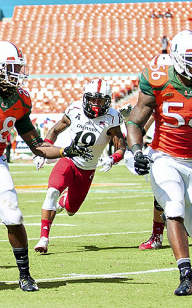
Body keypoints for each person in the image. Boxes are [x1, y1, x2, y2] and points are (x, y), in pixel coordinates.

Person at [0, 41, 92, 292]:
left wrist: (66, 150)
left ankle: (25, 275)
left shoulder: (20, 100)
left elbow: (37, 145)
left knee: (13, 215)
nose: (17, 74)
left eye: (18, 68)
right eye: (11, 68)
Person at [127, 30, 192, 296]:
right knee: (173, 207)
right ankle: (186, 273)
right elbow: (134, 120)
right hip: (164, 157)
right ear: (176, 59)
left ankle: (179, 225)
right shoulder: (159, 79)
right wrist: (137, 150)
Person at [33, 79, 126, 254]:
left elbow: (121, 146)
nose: (95, 104)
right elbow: (55, 130)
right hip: (69, 160)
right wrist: (43, 151)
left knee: (71, 209)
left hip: (88, 169)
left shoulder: (112, 118)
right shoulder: (74, 109)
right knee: (52, 191)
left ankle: (64, 202)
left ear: (107, 101)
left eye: (100, 100)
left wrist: (113, 158)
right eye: (92, 99)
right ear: (85, 98)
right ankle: (43, 239)